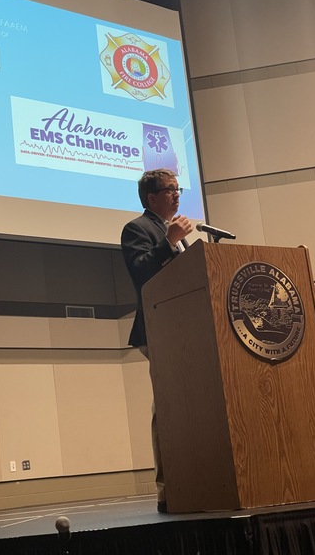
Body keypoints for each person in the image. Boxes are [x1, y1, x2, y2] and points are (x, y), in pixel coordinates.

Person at [120, 168, 193, 512]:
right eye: (170, 190)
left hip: (187, 328)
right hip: (159, 327)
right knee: (166, 404)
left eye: (179, 189)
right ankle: (168, 487)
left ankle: (196, 474)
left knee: (189, 404)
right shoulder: (138, 228)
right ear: (152, 197)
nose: (177, 195)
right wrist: (169, 242)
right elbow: (141, 271)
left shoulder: (175, 231)